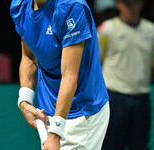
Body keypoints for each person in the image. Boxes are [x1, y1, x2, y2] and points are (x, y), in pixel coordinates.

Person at [10, 0, 110, 149]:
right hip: (48, 111)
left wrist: (56, 132)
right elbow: (29, 56)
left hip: (81, 115)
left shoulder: (71, 7)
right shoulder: (20, 5)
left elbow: (69, 75)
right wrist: (25, 100)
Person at [97, 0, 154, 149]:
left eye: (135, 2)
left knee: (140, 145)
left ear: (142, 3)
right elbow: (96, 63)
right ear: (118, 4)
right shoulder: (106, 29)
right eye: (126, 3)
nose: (131, 7)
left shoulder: (151, 31)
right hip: (114, 99)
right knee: (111, 145)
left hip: (141, 98)